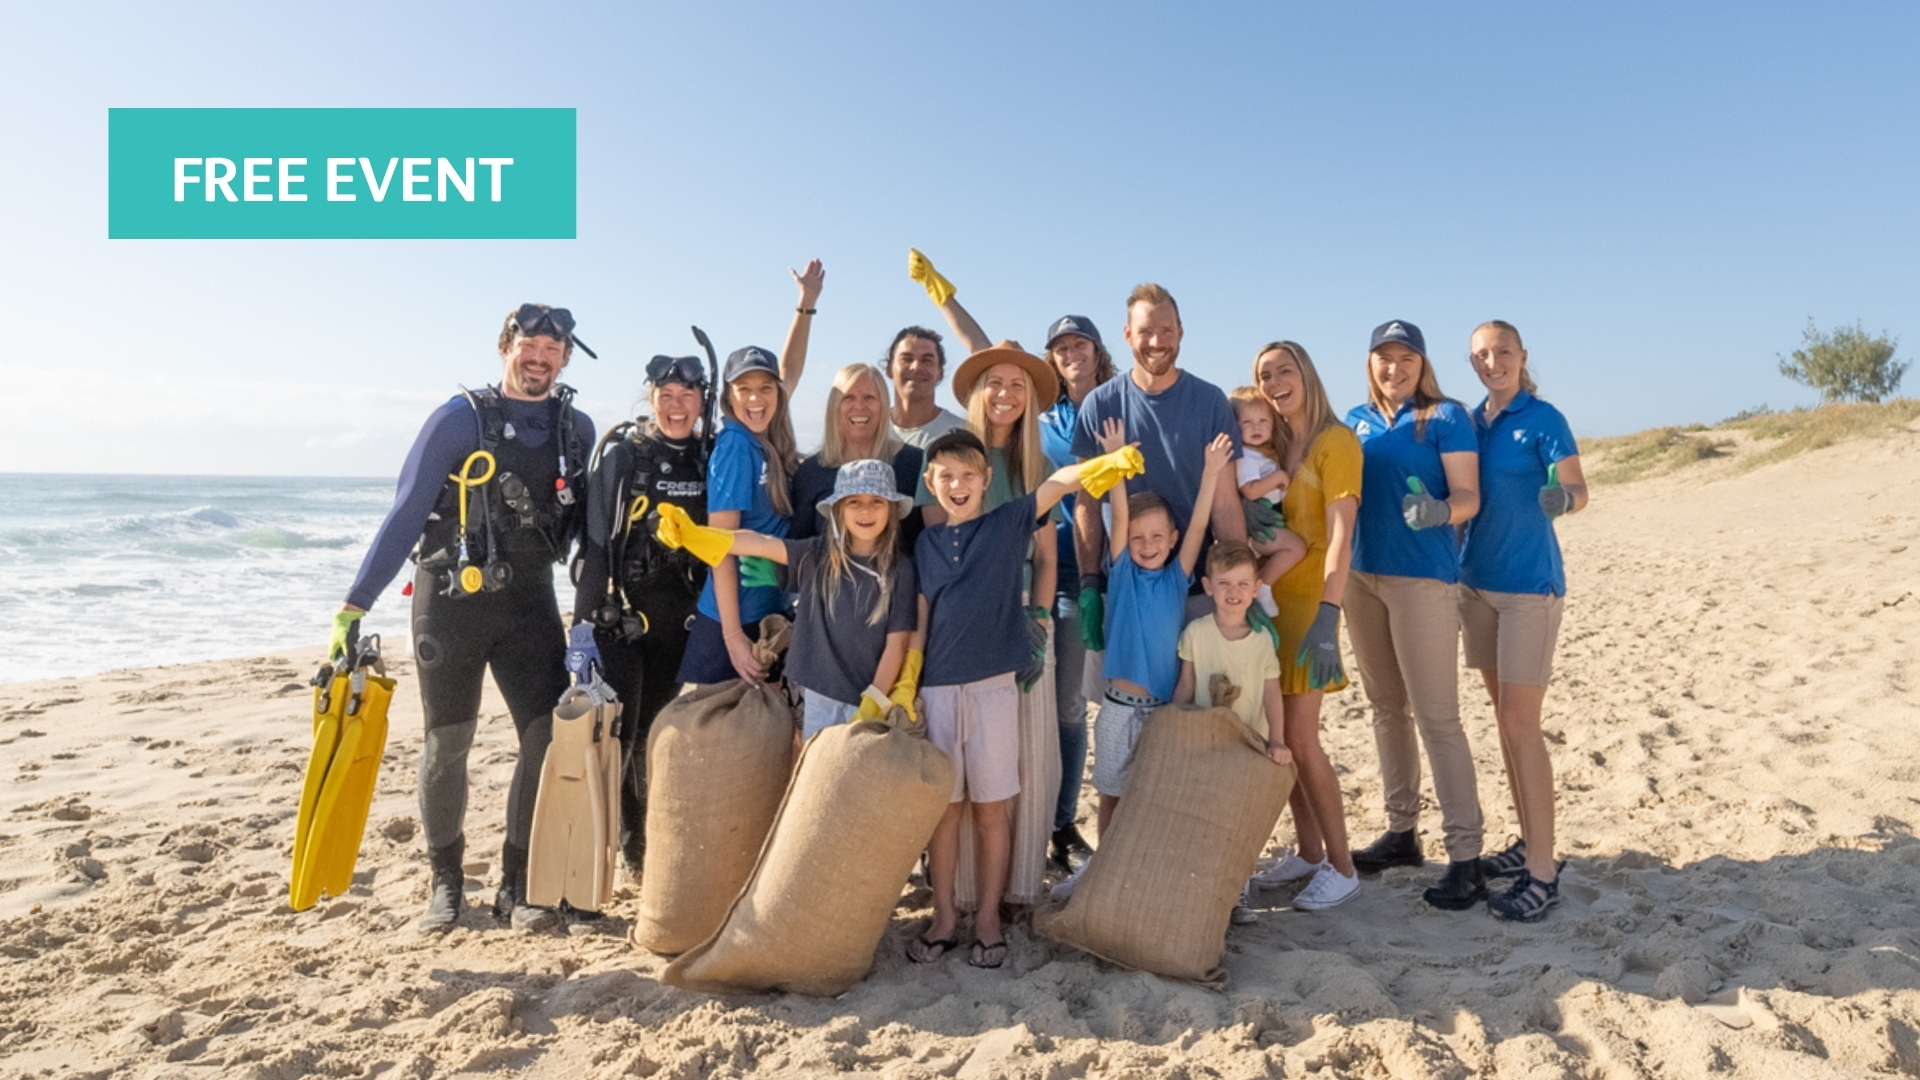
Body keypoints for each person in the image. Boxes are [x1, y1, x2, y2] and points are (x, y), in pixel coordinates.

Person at [332, 303, 597, 933]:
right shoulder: (458, 419)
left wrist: (597, 609)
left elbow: (590, 529)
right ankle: (446, 885)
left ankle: (515, 885)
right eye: (528, 347)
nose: (539, 360)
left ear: (565, 357)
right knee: (448, 745)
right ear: (505, 346)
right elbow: (405, 513)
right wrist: (355, 604)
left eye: (551, 351)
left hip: (529, 601)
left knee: (543, 737)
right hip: (449, 599)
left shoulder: (576, 429)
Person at [903, 249, 1114, 870]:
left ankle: (1038, 848)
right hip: (960, 620)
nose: (1004, 393)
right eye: (995, 384)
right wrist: (943, 294)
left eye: (1017, 385)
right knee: (957, 756)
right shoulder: (947, 456)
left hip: (1025, 611)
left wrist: (1040, 620)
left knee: (1029, 744)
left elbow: (1047, 556)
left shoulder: (1036, 462)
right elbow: (938, 546)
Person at [908, 429, 1128, 969]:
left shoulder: (1006, 525)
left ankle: (986, 919)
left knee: (991, 808)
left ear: (986, 482)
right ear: (930, 484)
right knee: (944, 812)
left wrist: (1106, 462)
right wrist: (906, 685)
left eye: (968, 475)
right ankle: (943, 918)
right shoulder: (924, 543)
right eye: (946, 476)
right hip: (936, 690)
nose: (957, 485)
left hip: (994, 691)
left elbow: (1055, 485)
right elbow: (918, 620)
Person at [1052, 421, 1232, 904]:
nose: (1148, 544)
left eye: (1157, 537)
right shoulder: (1124, 573)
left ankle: (1148, 874)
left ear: (1171, 539)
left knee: (1153, 799)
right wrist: (1116, 464)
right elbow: (1118, 511)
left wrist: (1212, 472)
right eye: (1138, 537)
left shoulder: (1177, 578)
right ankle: (1106, 869)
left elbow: (1199, 525)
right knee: (1110, 795)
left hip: (1159, 713)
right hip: (1116, 709)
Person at [1342, 320, 1487, 911]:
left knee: (1437, 717)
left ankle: (1467, 856)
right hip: (1360, 578)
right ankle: (1402, 833)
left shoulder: (1444, 417)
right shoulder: (1353, 418)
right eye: (1384, 358)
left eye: (1405, 358)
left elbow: (1470, 497)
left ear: (1422, 363)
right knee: (1385, 710)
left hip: (1422, 579)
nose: (1394, 368)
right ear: (1370, 362)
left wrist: (1439, 512)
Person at [1458, 320, 1587, 921]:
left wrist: (1562, 499)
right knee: (1503, 723)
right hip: (1474, 587)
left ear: (1521, 356)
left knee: (1520, 723)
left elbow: (1577, 487)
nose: (1493, 362)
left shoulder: (1545, 418)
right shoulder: (1470, 423)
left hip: (1530, 589)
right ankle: (1526, 841)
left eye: (1502, 351)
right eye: (1482, 354)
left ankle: (1543, 868)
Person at [657, 459, 918, 741]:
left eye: (876, 501)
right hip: (814, 696)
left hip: (868, 697)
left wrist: (876, 700)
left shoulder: (900, 570)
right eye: (854, 501)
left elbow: (898, 644)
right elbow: (761, 543)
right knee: (812, 775)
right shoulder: (817, 554)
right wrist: (697, 535)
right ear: (838, 510)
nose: (865, 510)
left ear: (891, 510)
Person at [569, 351, 711, 871]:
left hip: (685, 619)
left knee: (659, 732)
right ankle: (624, 849)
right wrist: (581, 634)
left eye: (687, 397)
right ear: (650, 398)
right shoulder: (625, 458)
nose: (676, 407)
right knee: (623, 737)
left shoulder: (710, 455)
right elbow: (597, 547)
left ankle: (646, 841)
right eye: (666, 397)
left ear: (701, 401)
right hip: (624, 619)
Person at [1248, 340, 1361, 911]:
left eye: (1283, 370)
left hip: (1314, 601)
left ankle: (1343, 867)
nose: (1274, 382)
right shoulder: (1280, 445)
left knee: (1303, 739)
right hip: (1273, 604)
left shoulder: (1336, 442)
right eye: (1264, 375)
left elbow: (1342, 534)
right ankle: (1311, 852)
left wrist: (1328, 615)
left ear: (1307, 374)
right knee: (1284, 739)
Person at [674, 263, 818, 685]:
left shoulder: (765, 436)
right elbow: (720, 543)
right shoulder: (736, 445)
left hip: (767, 607)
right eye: (745, 390)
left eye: (765, 388)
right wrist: (733, 635)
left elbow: (790, 372)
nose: (756, 399)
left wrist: (805, 307)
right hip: (732, 618)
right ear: (729, 398)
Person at [1071, 284, 1246, 621]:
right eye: (1145, 332)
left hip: (1195, 588)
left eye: (1166, 331)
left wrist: (1240, 579)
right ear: (1127, 334)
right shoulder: (1100, 404)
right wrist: (1090, 583)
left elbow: (1225, 504)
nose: (1156, 342)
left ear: (1180, 332)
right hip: (1122, 591)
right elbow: (1087, 502)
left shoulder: (1210, 402)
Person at [1172, 539, 1294, 923]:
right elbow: (1186, 686)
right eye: (1224, 584)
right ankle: (1203, 891)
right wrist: (1175, 721)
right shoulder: (1196, 632)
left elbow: (1273, 694)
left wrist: (1277, 739)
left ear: (1257, 589)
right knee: (1204, 817)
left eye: (1243, 584)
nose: (1234, 593)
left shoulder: (1262, 641)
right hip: (1207, 743)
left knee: (1238, 822)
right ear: (1208, 586)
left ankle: (1236, 895)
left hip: (1248, 743)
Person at [788, 363, 924, 551]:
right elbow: (798, 547)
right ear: (835, 406)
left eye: (869, 398)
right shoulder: (810, 472)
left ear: (884, 405)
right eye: (848, 398)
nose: (859, 406)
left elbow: (933, 540)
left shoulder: (916, 464)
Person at [1228, 387, 1309, 614]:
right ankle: (1262, 586)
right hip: (1258, 530)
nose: (1257, 427)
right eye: (1248, 422)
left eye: (1263, 421)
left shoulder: (1262, 453)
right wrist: (1279, 477)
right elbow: (1251, 491)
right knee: (1295, 548)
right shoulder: (1246, 457)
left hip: (1270, 521)